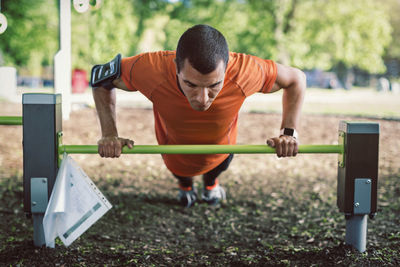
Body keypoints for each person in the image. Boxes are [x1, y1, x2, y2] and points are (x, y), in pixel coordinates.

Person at [92, 24, 306, 208]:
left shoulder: (245, 71)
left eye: (214, 85)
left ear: (227, 68)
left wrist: (288, 133)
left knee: (218, 167)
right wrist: (109, 133)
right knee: (180, 171)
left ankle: (211, 184)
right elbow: (101, 77)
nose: (203, 98)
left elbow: (297, 79)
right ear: (176, 67)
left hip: (221, 150)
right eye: (190, 84)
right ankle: (185, 185)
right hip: (174, 151)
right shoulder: (152, 69)